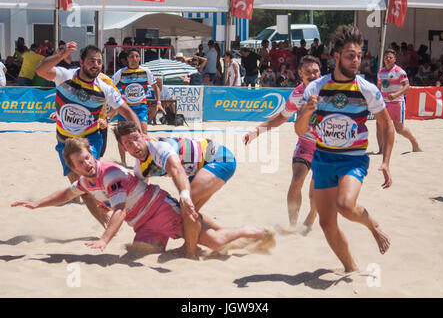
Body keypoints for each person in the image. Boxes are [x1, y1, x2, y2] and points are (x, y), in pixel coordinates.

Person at [11, 138, 274, 258]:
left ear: (93, 155)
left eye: (88, 158)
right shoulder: (85, 181)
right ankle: (212, 232)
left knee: (213, 242)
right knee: (141, 250)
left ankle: (254, 231)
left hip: (163, 212)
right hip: (144, 224)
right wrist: (37, 204)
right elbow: (65, 193)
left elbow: (120, 210)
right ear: (74, 167)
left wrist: (104, 239)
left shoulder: (111, 173)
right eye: (81, 163)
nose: (87, 164)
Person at [295, 25, 394, 273]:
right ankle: (351, 267)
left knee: (346, 205)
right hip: (323, 159)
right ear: (336, 56)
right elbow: (299, 131)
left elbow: (387, 124)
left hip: (353, 160)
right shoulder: (316, 88)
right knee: (327, 223)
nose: (356, 61)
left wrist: (386, 161)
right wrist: (306, 111)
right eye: (351, 55)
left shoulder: (367, 89)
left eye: (359, 56)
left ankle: (372, 225)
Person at [35, 42, 142, 229]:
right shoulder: (65, 76)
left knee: (87, 180)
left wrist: (138, 136)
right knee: (81, 188)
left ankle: (114, 218)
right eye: (92, 61)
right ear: (82, 62)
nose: (96, 65)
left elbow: (127, 111)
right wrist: (61, 54)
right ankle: (105, 221)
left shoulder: (105, 87)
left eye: (99, 62)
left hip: (89, 139)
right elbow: (40, 70)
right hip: (64, 141)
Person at [113, 121, 240, 257]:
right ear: (124, 148)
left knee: (186, 208)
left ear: (143, 136)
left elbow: (177, 170)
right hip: (197, 169)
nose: (135, 145)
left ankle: (190, 252)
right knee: (188, 210)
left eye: (136, 138)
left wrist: (184, 194)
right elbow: (138, 193)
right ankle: (228, 235)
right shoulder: (140, 169)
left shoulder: (158, 148)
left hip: (218, 158)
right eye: (128, 143)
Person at [244, 55, 322, 234]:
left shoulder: (329, 90)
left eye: (316, 71)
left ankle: (312, 214)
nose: (313, 75)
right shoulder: (297, 94)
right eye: (308, 72)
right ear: (300, 73)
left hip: (326, 148)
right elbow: (281, 117)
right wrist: (256, 131)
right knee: (296, 180)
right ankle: (292, 225)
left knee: (315, 190)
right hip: (306, 143)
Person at [112, 48, 163, 164]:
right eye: (131, 56)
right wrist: (115, 102)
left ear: (140, 58)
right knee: (122, 137)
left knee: (143, 136)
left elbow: (156, 88)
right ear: (127, 59)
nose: (134, 59)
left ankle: (143, 162)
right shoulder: (121, 73)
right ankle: (123, 162)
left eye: (137, 56)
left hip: (141, 108)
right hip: (125, 109)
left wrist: (158, 103)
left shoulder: (146, 71)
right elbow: (110, 86)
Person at [377, 49, 422, 153]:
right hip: (384, 103)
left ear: (394, 59)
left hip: (397, 103)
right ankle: (381, 150)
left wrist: (396, 94)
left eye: (390, 57)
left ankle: (414, 142)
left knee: (399, 130)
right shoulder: (381, 72)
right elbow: (379, 87)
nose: (388, 59)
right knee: (379, 125)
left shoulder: (399, 71)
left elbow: (407, 86)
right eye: (386, 57)